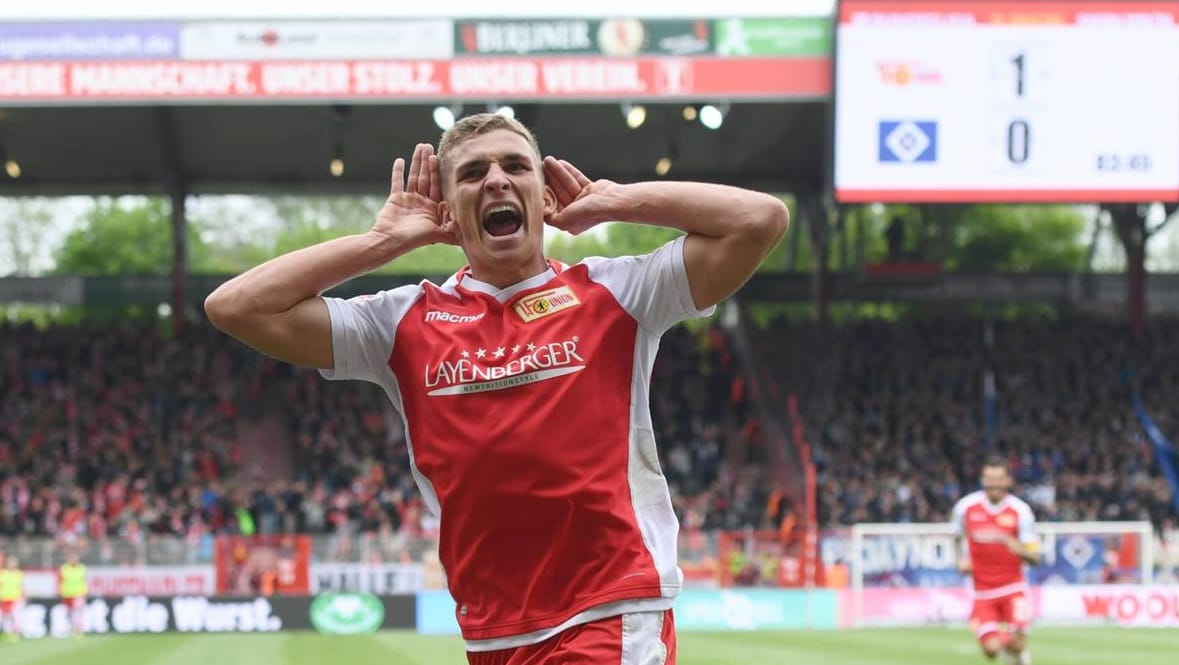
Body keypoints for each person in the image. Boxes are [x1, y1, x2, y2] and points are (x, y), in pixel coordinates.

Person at [205, 112, 788, 663]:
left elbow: (760, 219)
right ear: (448, 212)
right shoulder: (400, 322)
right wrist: (386, 242)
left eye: (515, 166)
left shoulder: (617, 292)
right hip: (494, 631)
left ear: (545, 195)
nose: (496, 181)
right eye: (473, 172)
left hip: (609, 608)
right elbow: (235, 307)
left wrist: (613, 202)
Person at [952, 455, 1042, 665]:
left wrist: (1018, 549)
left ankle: (1018, 654)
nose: (994, 484)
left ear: (1008, 481)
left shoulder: (1020, 511)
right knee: (992, 651)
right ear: (982, 480)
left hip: (1013, 588)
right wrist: (960, 561)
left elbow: (1035, 557)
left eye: (998, 479)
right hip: (982, 591)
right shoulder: (966, 508)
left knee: (1017, 643)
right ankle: (1016, 657)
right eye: (989, 479)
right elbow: (956, 538)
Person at [59, 552, 88, 638]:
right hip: (67, 594)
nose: (73, 560)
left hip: (78, 594)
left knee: (78, 613)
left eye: (74, 558)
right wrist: (61, 591)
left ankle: (79, 631)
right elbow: (61, 581)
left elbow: (84, 581)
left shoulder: (81, 568)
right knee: (69, 614)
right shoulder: (64, 568)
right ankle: (71, 629)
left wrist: (85, 592)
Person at [0, 556, 23, 643]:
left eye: (13, 563)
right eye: (10, 562)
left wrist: (23, 596)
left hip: (15, 598)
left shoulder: (19, 574)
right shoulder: (2, 573)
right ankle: (7, 633)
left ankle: (15, 634)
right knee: (5, 617)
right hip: (4, 598)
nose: (11, 565)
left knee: (16, 616)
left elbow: (21, 586)